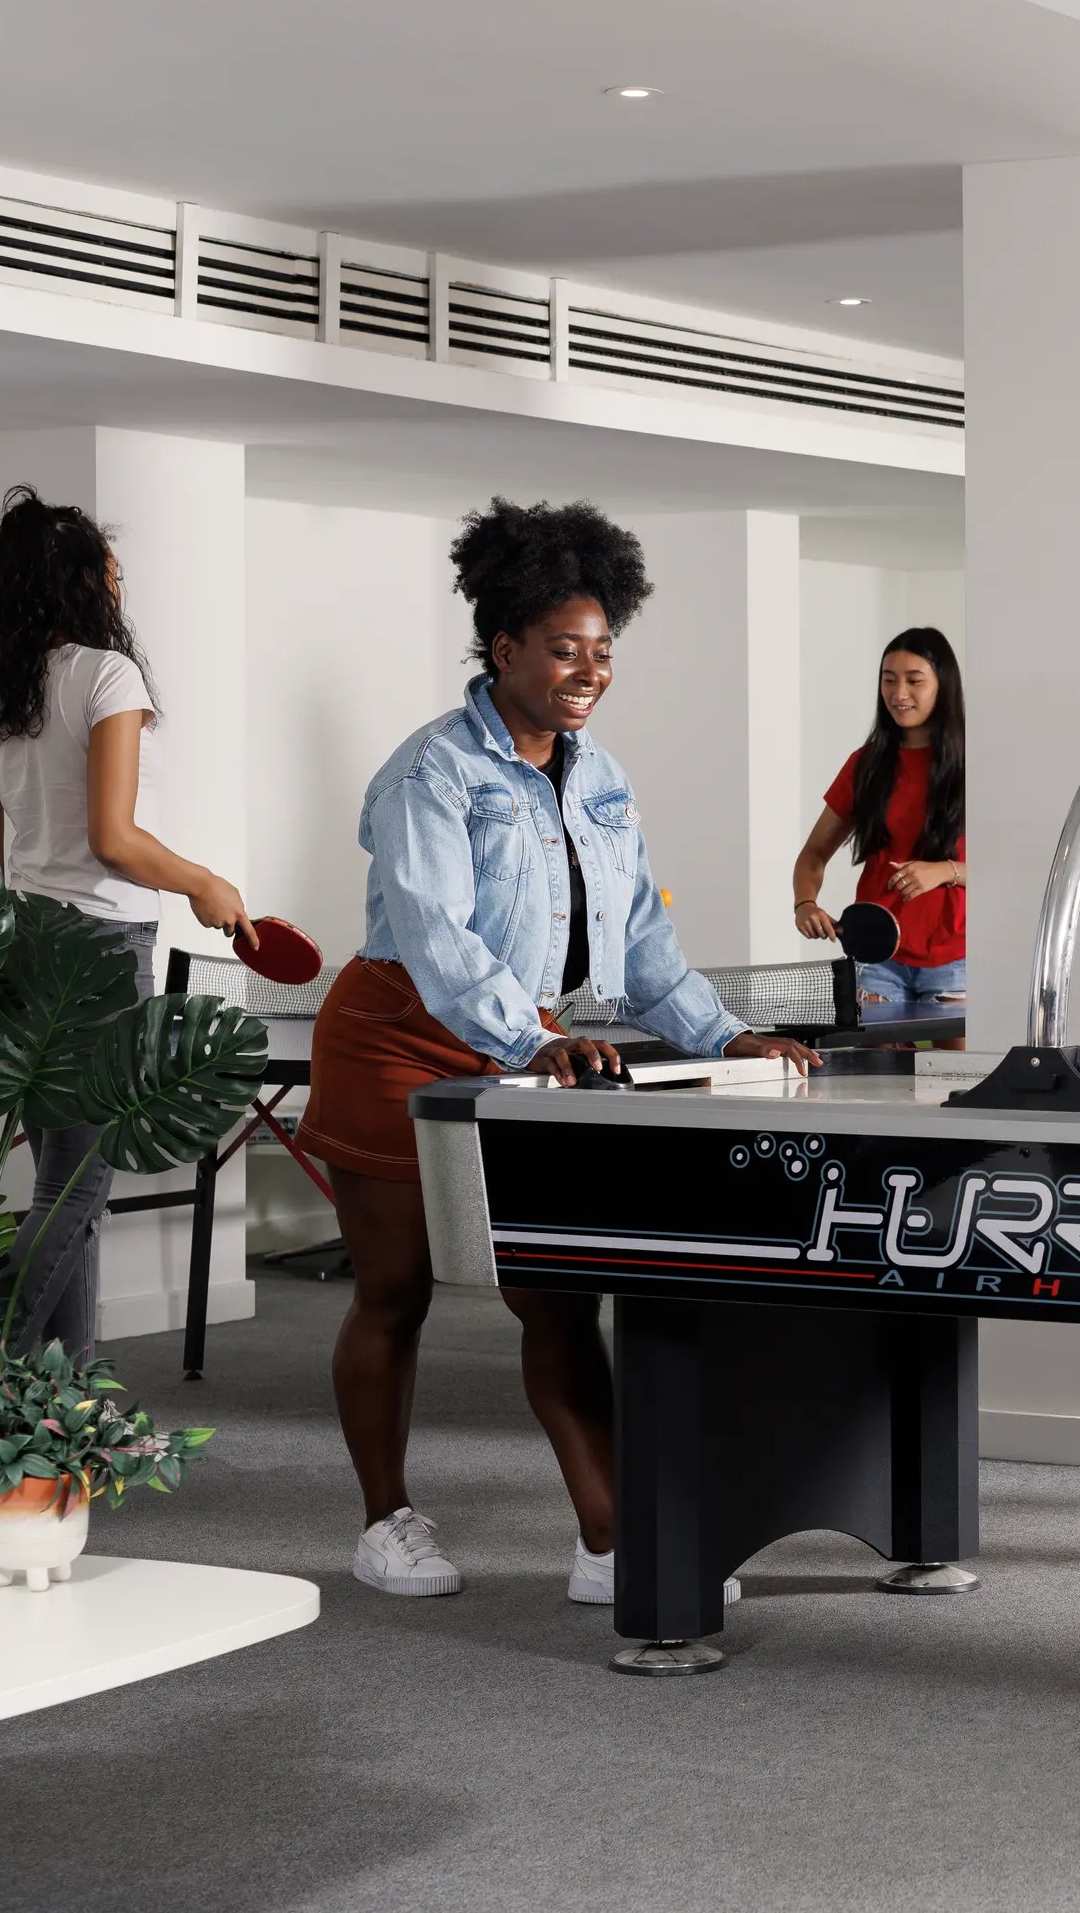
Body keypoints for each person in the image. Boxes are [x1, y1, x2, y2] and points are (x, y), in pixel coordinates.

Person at [295, 500, 818, 1601]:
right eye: (565, 649)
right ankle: (385, 1522)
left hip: (525, 1047)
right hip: (398, 1039)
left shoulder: (602, 777)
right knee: (394, 1292)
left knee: (556, 1292)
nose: (589, 671)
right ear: (505, 650)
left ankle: (611, 1538)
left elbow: (639, 939)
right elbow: (436, 937)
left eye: (602, 651)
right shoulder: (432, 772)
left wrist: (724, 1032)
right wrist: (533, 1039)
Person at [0, 486, 255, 1360]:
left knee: (61, 1182)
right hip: (101, 954)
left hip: (15, 951)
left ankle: (65, 1407)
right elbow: (114, 841)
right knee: (78, 1188)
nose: (119, 580)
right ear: (84, 582)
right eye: (108, 566)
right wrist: (204, 884)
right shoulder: (106, 675)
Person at [792, 627, 966, 1009]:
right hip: (877, 957)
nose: (899, 694)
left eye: (914, 681)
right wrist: (805, 903)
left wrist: (943, 871)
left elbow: (1017, 869)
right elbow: (813, 853)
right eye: (889, 680)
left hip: (957, 959)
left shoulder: (977, 763)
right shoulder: (866, 765)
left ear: (943, 685)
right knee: (879, 1067)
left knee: (960, 1069)